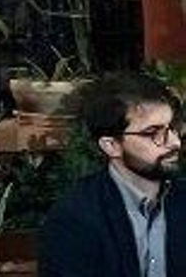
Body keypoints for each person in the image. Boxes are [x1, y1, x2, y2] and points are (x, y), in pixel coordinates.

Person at [40, 71, 185, 276]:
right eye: (153, 133)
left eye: (174, 128)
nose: (174, 142)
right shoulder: (75, 218)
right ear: (111, 146)